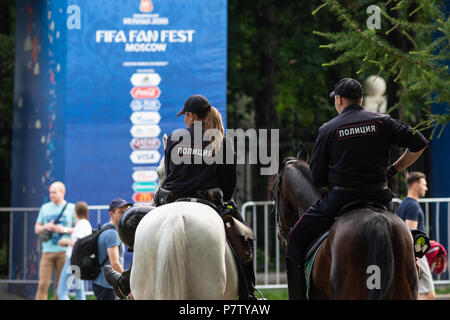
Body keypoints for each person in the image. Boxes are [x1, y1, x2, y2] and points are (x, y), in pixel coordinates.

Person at [285, 78, 430, 299]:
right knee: (404, 239)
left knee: (295, 241)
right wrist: (392, 169)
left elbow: (316, 177)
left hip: (340, 199)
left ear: (339, 99)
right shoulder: (383, 121)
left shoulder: (329, 129)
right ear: (361, 99)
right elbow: (419, 142)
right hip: (380, 197)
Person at [105, 94, 257, 300]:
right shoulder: (222, 140)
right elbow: (229, 183)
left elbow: (168, 174)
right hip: (209, 202)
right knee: (244, 237)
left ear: (191, 116)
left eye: (185, 115)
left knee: (145, 235)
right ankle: (248, 291)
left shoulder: (175, 137)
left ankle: (125, 282)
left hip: (172, 199)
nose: (184, 119)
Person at [34, 181, 75, 300]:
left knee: (60, 287)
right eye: (50, 192)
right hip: (47, 251)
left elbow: (79, 228)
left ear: (62, 192)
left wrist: (64, 229)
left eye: (54, 192)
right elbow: (36, 229)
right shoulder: (45, 208)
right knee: (42, 285)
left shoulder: (71, 208)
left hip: (64, 252)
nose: (51, 195)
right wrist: (46, 226)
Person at [397, 172, 435, 300]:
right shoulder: (412, 206)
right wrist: (416, 258)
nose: (426, 188)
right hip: (416, 255)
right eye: (424, 185)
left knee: (415, 292)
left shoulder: (404, 204)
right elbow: (410, 234)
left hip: (412, 254)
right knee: (429, 294)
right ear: (415, 186)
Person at [92, 198, 131, 300]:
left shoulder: (106, 228)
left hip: (103, 283)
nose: (124, 214)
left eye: (126, 211)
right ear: (111, 214)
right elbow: (114, 263)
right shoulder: (112, 234)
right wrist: (127, 283)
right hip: (108, 286)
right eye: (120, 212)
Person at [57, 201, 92, 300]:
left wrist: (66, 241)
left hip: (73, 261)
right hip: (78, 261)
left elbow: (79, 244)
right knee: (79, 291)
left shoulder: (81, 224)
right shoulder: (85, 223)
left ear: (76, 212)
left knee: (61, 292)